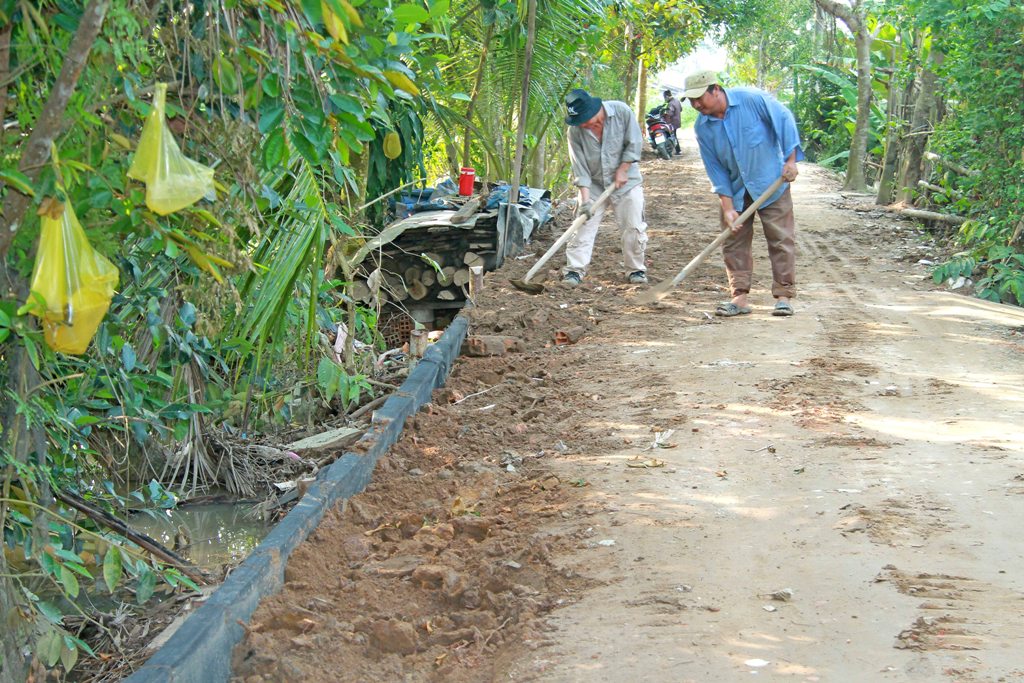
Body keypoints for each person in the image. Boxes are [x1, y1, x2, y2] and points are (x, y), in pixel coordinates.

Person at [683, 70, 803, 317]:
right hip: (736, 190)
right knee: (733, 240)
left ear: (715, 89)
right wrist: (727, 208)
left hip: (771, 183)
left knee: (781, 239)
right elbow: (715, 169)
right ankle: (739, 299)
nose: (696, 105)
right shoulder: (702, 127)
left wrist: (790, 160)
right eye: (691, 101)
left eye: (699, 98)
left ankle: (783, 296)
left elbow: (784, 120)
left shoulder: (752, 99)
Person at [563, 88, 649, 286]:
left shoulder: (622, 112)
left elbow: (635, 143)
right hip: (593, 183)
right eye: (579, 122)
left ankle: (635, 270)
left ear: (595, 109)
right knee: (582, 224)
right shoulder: (575, 131)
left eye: (586, 119)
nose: (583, 125)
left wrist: (624, 168)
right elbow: (580, 168)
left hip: (627, 181)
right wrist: (585, 201)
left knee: (633, 226)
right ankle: (574, 270)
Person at [662, 89, 682, 155]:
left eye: (664, 97)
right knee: (674, 135)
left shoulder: (670, 104)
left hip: (673, 122)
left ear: (667, 96)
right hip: (677, 121)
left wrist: (664, 116)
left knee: (672, 135)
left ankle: (677, 150)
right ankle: (677, 150)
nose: (665, 99)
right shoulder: (677, 101)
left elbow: (669, 114)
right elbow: (681, 109)